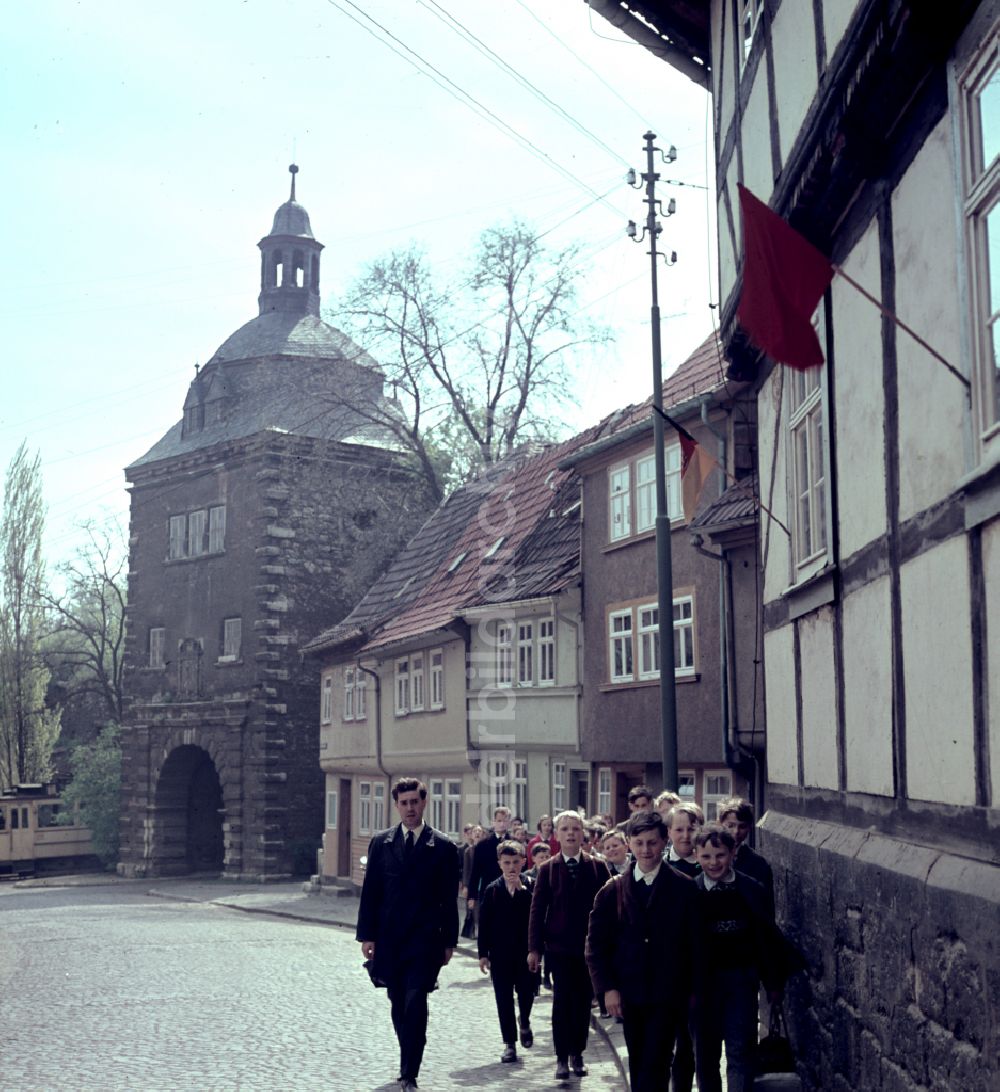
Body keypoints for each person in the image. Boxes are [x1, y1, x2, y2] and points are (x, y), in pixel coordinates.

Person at [585, 811, 701, 1092]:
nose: (646, 850)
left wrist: (694, 991)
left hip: (669, 993)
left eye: (652, 843)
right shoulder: (613, 890)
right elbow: (596, 945)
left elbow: (696, 945)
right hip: (629, 993)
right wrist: (608, 988)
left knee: (658, 1059)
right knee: (638, 1060)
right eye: (639, 843)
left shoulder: (684, 887)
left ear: (664, 842)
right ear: (629, 843)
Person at [356, 778, 459, 1092]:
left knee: (416, 1000)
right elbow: (371, 892)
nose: (410, 808)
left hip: (424, 940)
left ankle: (409, 1072)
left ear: (424, 803)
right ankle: (407, 1055)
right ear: (397, 805)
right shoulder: (382, 843)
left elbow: (448, 898)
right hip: (390, 939)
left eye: (415, 802)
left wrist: (449, 942)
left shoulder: (442, 846)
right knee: (398, 1002)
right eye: (404, 803)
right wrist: (367, 936)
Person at [691, 824, 787, 1092]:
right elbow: (682, 946)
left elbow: (766, 939)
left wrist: (773, 984)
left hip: (741, 982)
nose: (714, 863)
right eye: (707, 856)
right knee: (706, 1056)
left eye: (720, 855)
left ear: (733, 853)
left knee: (740, 1051)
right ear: (697, 855)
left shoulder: (751, 889)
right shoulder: (690, 892)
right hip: (703, 988)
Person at [528, 809, 611, 1080]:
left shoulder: (598, 867)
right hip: (559, 949)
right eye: (565, 829)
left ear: (582, 833)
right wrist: (534, 949)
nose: (571, 834)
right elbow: (537, 910)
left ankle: (578, 1053)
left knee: (582, 1003)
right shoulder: (548, 869)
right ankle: (561, 1057)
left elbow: (609, 910)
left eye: (575, 829)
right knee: (562, 1002)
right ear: (557, 834)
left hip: (590, 950)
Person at [478, 840, 540, 1063]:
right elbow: (483, 924)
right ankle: (509, 1044)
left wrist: (523, 891)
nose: (512, 867)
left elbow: (538, 914)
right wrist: (483, 954)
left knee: (526, 994)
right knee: (503, 998)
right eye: (507, 863)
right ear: (499, 864)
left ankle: (524, 1021)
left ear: (524, 861)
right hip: (501, 954)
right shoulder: (493, 889)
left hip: (526, 953)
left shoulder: (532, 885)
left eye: (516, 862)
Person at [718, 797, 775, 916]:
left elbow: (766, 908)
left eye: (742, 826)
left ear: (749, 827)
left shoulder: (759, 864)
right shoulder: (707, 857)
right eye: (730, 826)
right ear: (720, 824)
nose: (736, 832)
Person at [467, 805, 511, 911]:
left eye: (505, 821)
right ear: (493, 822)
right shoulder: (483, 845)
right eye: (499, 820)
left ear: (509, 822)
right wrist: (472, 896)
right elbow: (475, 871)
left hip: (509, 890)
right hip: (488, 890)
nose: (502, 824)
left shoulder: (514, 843)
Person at [665, 803, 703, 878]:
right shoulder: (660, 864)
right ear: (669, 832)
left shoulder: (706, 866)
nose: (686, 836)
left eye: (691, 829)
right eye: (679, 830)